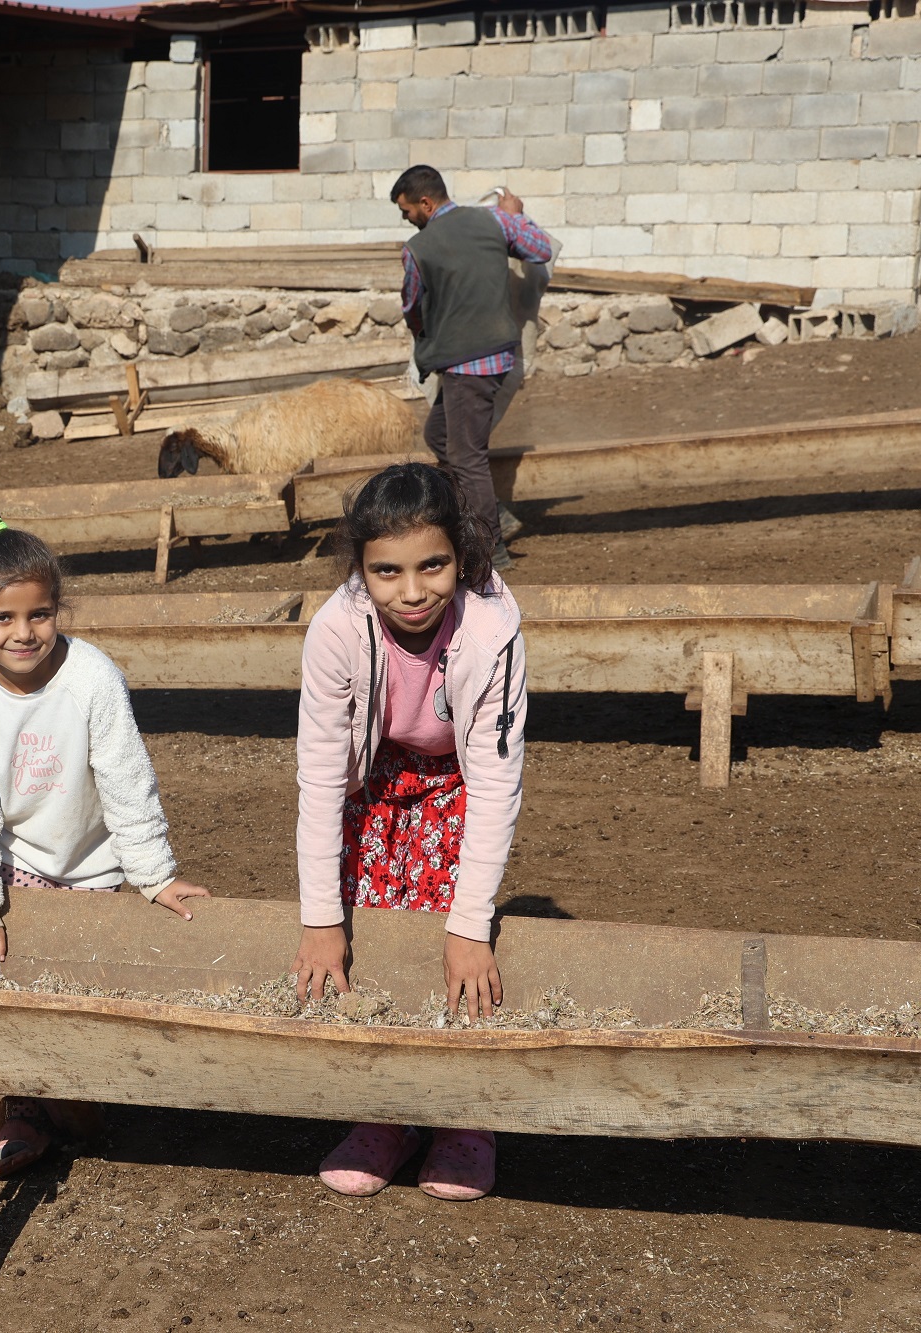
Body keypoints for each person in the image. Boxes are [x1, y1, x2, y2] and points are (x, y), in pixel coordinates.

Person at [0, 510, 213, 1177]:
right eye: (3, 618)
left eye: (40, 615)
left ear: (56, 610)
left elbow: (127, 782)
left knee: (80, 990)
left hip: (92, 866)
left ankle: (77, 1101)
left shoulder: (91, 678)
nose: (23, 633)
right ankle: (29, 1108)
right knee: (9, 978)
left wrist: (155, 875)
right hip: (17, 863)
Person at [291, 463, 527, 1202]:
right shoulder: (334, 629)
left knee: (456, 945)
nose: (413, 589)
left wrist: (469, 923)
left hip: (455, 783)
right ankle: (384, 1113)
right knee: (373, 927)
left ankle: (466, 1118)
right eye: (387, 571)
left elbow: (495, 780)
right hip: (378, 781)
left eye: (433, 564)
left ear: (461, 553)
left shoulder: (493, 628)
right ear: (361, 570)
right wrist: (321, 918)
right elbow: (322, 776)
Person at [390, 164, 556, 570]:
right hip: (497, 353)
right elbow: (541, 250)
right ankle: (492, 516)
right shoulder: (493, 221)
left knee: (468, 457)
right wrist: (515, 215)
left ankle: (490, 549)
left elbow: (412, 307)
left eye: (407, 210)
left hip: (467, 365)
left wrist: (428, 336)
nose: (406, 219)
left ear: (425, 203)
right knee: (440, 434)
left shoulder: (418, 249)